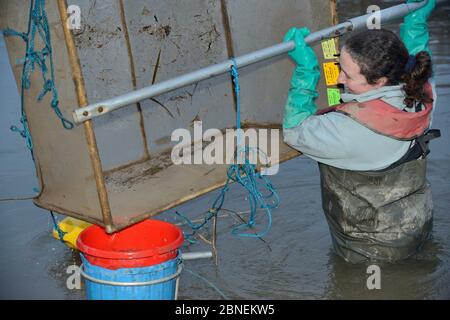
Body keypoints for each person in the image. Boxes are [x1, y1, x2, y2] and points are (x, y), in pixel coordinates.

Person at [282, 0, 440, 263]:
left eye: (347, 74)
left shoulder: (349, 129)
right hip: (417, 225)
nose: (338, 79)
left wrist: (306, 72)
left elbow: (295, 130)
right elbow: (416, 56)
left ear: (378, 82)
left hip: (367, 253)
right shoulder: (422, 95)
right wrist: (416, 25)